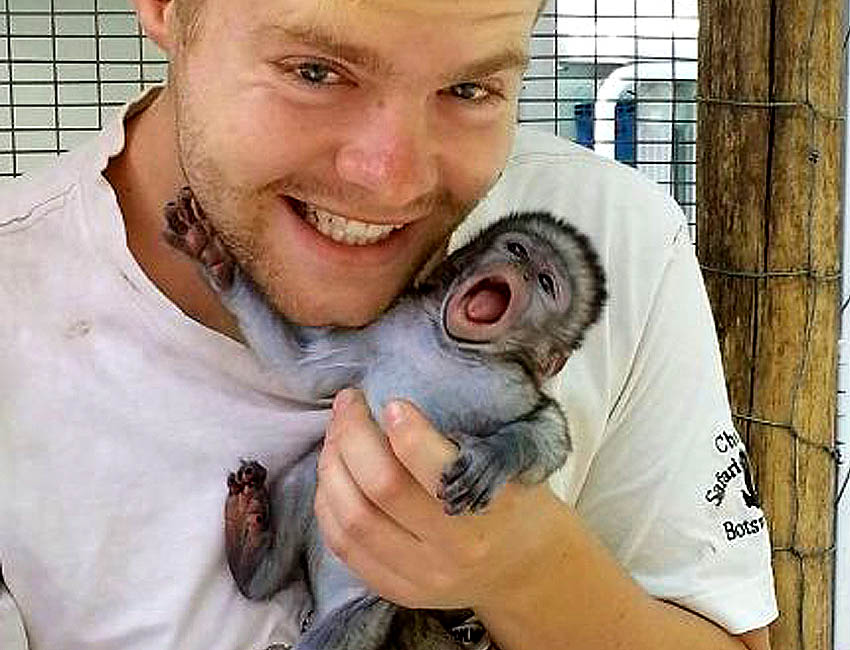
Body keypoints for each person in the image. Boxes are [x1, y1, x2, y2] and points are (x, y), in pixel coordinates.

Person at [0, 0, 778, 649]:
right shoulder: (19, 309)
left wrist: (532, 572)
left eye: (470, 89)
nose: (392, 179)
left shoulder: (613, 240)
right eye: (315, 72)